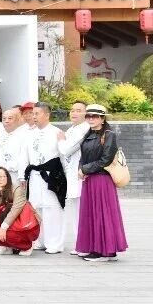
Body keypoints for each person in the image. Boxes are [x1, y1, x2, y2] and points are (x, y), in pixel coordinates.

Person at [76, 104, 127, 262]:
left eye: (95, 116)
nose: (91, 119)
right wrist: (81, 169)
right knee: (91, 214)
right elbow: (83, 155)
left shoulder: (109, 134)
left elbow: (106, 159)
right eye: (88, 116)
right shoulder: (88, 133)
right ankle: (97, 248)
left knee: (102, 214)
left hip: (102, 180)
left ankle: (104, 251)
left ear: (103, 118)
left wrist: (85, 169)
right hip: (90, 179)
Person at [24, 103, 67, 254]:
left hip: (51, 175)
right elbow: (25, 156)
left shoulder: (57, 132)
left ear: (47, 115)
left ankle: (55, 243)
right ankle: (39, 240)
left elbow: (63, 156)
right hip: (34, 176)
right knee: (36, 208)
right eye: (33, 114)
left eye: (37, 114)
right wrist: (23, 177)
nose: (34, 117)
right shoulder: (29, 134)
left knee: (52, 208)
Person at [58, 102, 90, 255]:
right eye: (72, 110)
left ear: (86, 113)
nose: (74, 113)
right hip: (70, 175)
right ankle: (81, 243)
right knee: (76, 212)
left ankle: (83, 244)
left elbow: (66, 149)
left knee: (81, 212)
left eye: (79, 110)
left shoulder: (84, 129)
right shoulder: (73, 129)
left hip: (80, 176)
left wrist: (61, 140)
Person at [0, 166, 39, 255]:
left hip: (23, 220)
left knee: (11, 232)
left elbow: (16, 209)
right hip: (8, 218)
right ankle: (5, 246)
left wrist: (3, 227)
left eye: (1, 177)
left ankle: (27, 245)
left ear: (7, 177)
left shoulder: (17, 188)